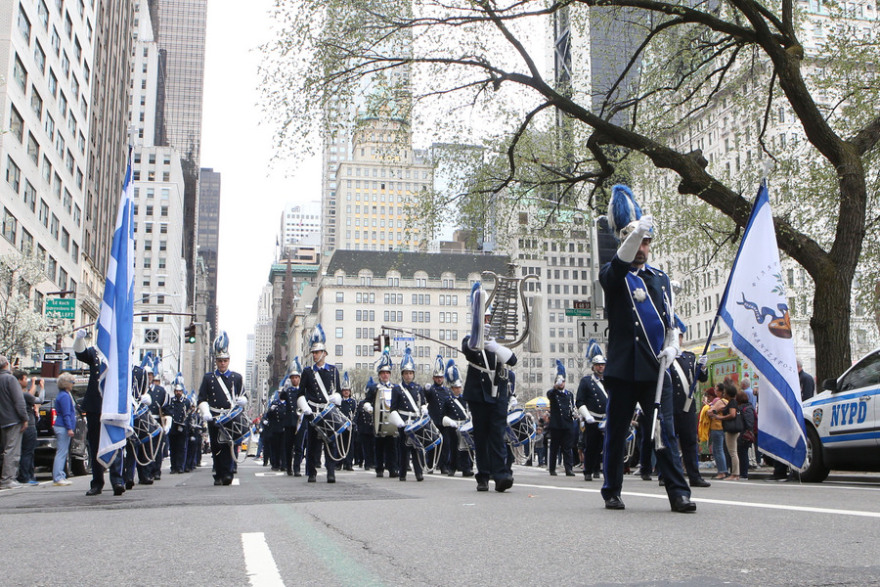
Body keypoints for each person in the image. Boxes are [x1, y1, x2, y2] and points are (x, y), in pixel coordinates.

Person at [598, 184, 695, 513]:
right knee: (617, 430)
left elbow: (669, 322)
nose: (642, 247)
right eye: (638, 241)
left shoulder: (660, 279)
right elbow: (617, 269)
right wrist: (633, 233)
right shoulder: (614, 273)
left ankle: (678, 492)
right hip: (624, 368)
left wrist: (673, 347)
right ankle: (611, 489)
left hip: (656, 368)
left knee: (665, 430)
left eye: (646, 241)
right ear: (628, 241)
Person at [461, 284, 518, 493]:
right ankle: (483, 476)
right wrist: (480, 339)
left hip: (499, 393)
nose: (486, 322)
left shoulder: (499, 342)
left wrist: (494, 345)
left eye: (488, 319)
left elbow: (513, 360)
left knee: (498, 433)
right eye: (483, 319)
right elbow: (467, 348)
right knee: (482, 435)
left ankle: (501, 474)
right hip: (478, 394)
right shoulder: (470, 340)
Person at [198, 331, 248, 486]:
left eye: (225, 360)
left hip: (230, 417)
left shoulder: (236, 377)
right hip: (214, 417)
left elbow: (244, 395)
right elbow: (201, 398)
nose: (222, 363)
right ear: (216, 361)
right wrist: (205, 411)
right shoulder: (208, 378)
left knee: (228, 445)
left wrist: (242, 401)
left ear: (229, 360)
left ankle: (227, 473)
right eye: (220, 361)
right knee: (216, 446)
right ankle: (218, 473)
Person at [297, 324, 342, 483]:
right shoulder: (308, 372)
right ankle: (312, 472)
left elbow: (338, 390)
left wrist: (337, 397)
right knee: (312, 444)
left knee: (331, 442)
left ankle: (331, 471)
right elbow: (300, 393)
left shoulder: (333, 371)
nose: (315, 355)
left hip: (328, 412)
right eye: (313, 352)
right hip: (313, 412)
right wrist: (306, 408)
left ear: (324, 353)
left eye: (317, 352)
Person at [668, 321, 711, 488]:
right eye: (675, 337)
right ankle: (667, 475)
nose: (678, 340)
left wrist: (703, 367)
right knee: (669, 443)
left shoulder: (690, 358)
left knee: (690, 443)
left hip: (687, 407)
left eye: (679, 337)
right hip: (670, 407)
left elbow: (702, 379)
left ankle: (694, 476)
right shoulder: (665, 357)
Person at [392, 348, 427, 482]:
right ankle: (402, 473)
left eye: (410, 373)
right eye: (406, 373)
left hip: (416, 422)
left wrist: (424, 409)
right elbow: (393, 408)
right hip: (404, 421)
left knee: (417, 447)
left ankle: (419, 472)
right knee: (404, 448)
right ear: (402, 374)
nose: (408, 376)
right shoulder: (397, 389)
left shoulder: (418, 388)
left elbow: (422, 402)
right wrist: (399, 421)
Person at [364, 353, 400, 478]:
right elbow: (366, 401)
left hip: (391, 421)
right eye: (383, 373)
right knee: (379, 446)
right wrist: (368, 407)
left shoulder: (395, 388)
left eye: (387, 373)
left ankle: (392, 468)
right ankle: (379, 468)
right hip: (379, 421)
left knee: (392, 446)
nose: (385, 375)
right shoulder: (374, 388)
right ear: (379, 374)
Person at [576, 348, 607, 482]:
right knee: (591, 446)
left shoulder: (609, 381)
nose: (600, 367)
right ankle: (588, 470)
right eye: (598, 365)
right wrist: (587, 415)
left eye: (602, 364)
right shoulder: (586, 381)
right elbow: (580, 401)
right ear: (593, 366)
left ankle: (598, 469)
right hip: (592, 418)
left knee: (604, 446)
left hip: (606, 418)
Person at [441, 360, 473, 477]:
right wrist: (449, 422)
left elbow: (468, 411)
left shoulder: (465, 399)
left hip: (464, 425)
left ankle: (466, 468)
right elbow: (443, 415)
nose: (458, 389)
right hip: (453, 426)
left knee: (465, 448)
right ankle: (452, 467)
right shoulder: (448, 400)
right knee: (454, 448)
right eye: (456, 388)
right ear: (452, 388)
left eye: (459, 387)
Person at [0, 355, 28, 490]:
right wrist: (24, 418)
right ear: (6, 364)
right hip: (12, 419)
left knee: (5, 449)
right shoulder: (10, 379)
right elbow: (19, 400)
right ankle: (8, 478)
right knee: (12, 450)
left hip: (2, 419)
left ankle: (7, 477)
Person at [547, 360, 576, 477]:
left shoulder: (569, 394)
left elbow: (571, 406)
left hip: (567, 424)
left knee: (567, 448)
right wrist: (555, 387)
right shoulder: (553, 393)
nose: (561, 383)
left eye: (563, 381)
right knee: (554, 448)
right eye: (559, 382)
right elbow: (549, 394)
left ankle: (569, 468)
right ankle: (552, 469)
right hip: (556, 424)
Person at [424, 355, 452, 474]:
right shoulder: (431, 390)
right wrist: (426, 389)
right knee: (432, 444)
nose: (439, 379)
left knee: (445, 445)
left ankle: (443, 465)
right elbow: (426, 394)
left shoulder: (447, 391)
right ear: (433, 378)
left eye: (441, 377)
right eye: (437, 377)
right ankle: (430, 464)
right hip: (434, 422)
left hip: (444, 422)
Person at [710, 381, 740, 480]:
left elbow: (732, 414)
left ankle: (735, 474)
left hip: (731, 429)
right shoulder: (731, 402)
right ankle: (734, 473)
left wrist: (720, 417)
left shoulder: (732, 402)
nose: (724, 394)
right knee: (731, 451)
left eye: (725, 392)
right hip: (729, 428)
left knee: (732, 452)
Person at [52, 372, 78, 486]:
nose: (73, 384)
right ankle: (58, 477)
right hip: (63, 426)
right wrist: (69, 428)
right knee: (62, 452)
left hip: (61, 425)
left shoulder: (63, 395)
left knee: (62, 452)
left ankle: (60, 475)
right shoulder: (65, 396)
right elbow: (66, 413)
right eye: (72, 382)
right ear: (66, 383)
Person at [16, 371, 40, 486]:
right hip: (29, 425)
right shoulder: (24, 395)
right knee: (28, 452)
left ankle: (28, 474)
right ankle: (26, 476)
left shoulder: (15, 394)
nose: (27, 381)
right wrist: (38, 385)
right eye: (25, 379)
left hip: (18, 425)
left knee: (24, 451)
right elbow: (39, 399)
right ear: (19, 380)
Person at [146, 363, 169, 481]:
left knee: (157, 449)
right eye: (146, 375)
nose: (148, 377)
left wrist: (167, 423)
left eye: (150, 374)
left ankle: (156, 471)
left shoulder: (160, 391)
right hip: (143, 423)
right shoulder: (139, 389)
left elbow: (166, 408)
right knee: (146, 449)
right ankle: (147, 472)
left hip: (156, 422)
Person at [282, 358, 303, 476]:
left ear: (299, 378)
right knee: (289, 446)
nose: (294, 379)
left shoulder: (303, 390)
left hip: (300, 422)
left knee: (299, 447)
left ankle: (297, 468)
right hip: (290, 422)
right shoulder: (288, 391)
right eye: (292, 377)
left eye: (296, 377)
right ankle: (289, 467)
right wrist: (284, 388)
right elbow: (282, 396)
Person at [167, 378, 192, 474]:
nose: (178, 392)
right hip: (173, 428)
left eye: (180, 391)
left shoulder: (186, 402)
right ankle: (173, 467)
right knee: (173, 448)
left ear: (182, 392)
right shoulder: (171, 401)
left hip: (183, 428)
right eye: (176, 391)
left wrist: (186, 426)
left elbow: (189, 415)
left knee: (181, 448)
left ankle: (181, 466)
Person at [355, 379, 375, 471]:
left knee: (374, 447)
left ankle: (374, 463)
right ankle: (367, 463)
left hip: (375, 428)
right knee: (366, 448)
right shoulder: (362, 403)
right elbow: (358, 416)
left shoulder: (377, 402)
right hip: (364, 429)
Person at [338, 373, 357, 472]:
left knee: (349, 446)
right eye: (344, 390)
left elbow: (355, 413)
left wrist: (352, 423)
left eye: (347, 391)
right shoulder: (339, 401)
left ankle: (348, 463)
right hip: (341, 426)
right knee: (340, 445)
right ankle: (339, 463)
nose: (346, 392)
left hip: (350, 426)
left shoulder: (353, 402)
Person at [735, 389, 756, 480]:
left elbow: (749, 423)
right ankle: (742, 473)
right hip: (744, 433)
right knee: (742, 453)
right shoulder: (748, 407)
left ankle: (744, 474)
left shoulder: (745, 409)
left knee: (743, 454)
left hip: (744, 434)